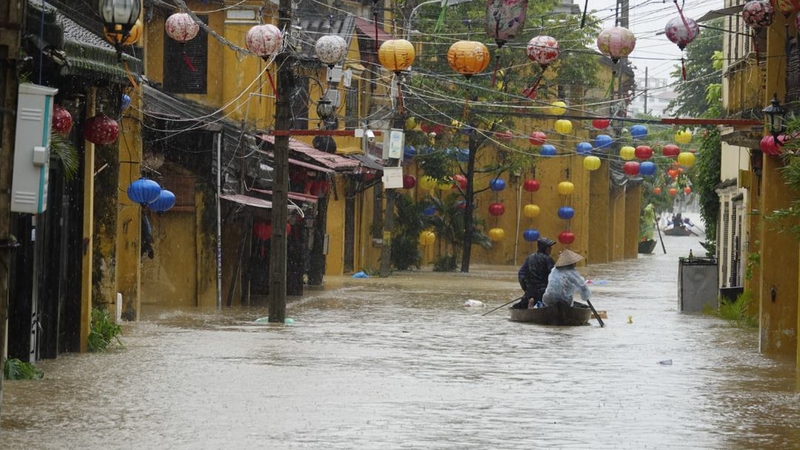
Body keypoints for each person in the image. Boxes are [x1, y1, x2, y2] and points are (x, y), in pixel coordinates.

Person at [514, 237, 556, 309]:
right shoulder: (548, 259)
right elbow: (553, 276)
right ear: (543, 248)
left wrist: (526, 289)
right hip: (544, 292)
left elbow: (521, 275)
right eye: (549, 247)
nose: (551, 248)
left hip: (530, 292)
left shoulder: (529, 258)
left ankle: (530, 304)